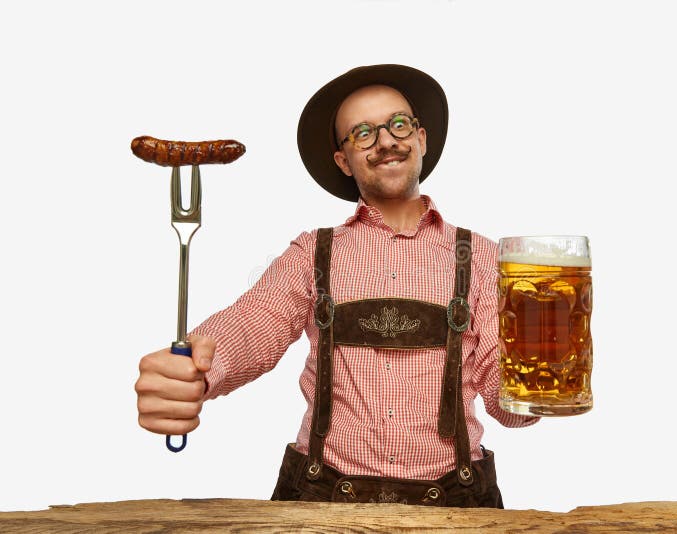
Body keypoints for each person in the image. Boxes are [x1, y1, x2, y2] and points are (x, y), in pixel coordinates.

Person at [135, 64, 539, 508]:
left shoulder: (482, 257)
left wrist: (543, 373)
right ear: (343, 161)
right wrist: (194, 369)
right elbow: (254, 323)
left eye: (398, 124)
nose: (386, 140)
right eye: (362, 133)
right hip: (321, 498)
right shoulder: (313, 252)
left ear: (421, 139)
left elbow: (509, 406)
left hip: (457, 504)